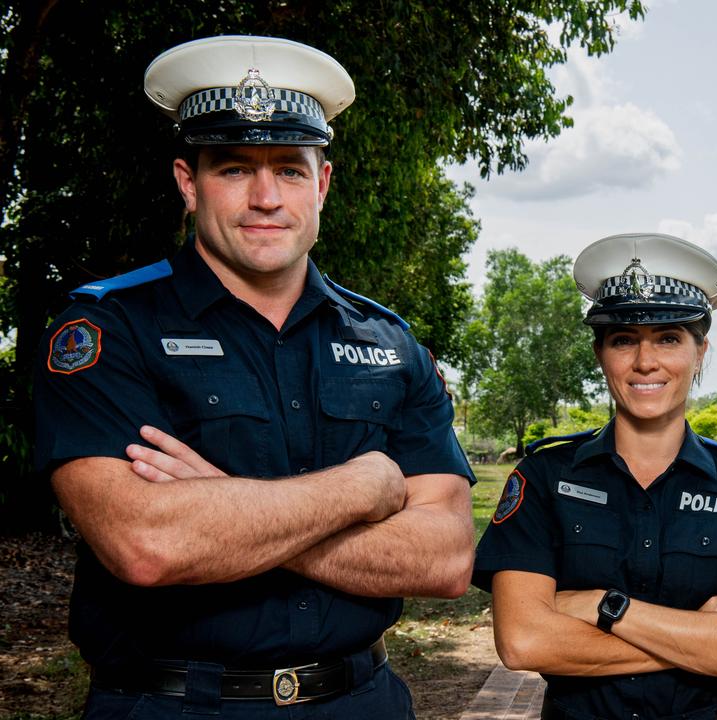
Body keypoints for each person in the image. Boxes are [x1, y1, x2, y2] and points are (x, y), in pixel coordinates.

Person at [32, 36, 476, 718]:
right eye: (236, 168)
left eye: (291, 171)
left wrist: (219, 507)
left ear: (322, 185)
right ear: (188, 183)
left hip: (361, 701)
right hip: (171, 705)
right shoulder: (108, 330)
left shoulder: (390, 344)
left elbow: (444, 560)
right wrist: (365, 485)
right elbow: (146, 545)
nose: (266, 197)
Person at [472, 233, 717, 720]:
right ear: (600, 353)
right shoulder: (544, 476)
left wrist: (606, 606)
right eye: (624, 340)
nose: (645, 361)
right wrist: (702, 641)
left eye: (669, 338)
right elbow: (523, 641)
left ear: (700, 351)